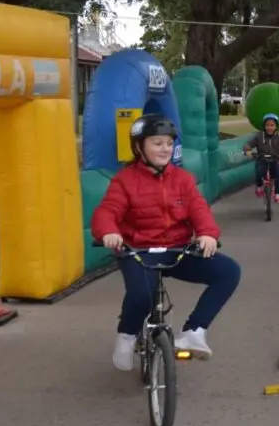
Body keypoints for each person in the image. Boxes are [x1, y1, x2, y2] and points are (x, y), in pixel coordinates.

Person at [91, 114, 241, 370]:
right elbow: (107, 212)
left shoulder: (182, 179)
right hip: (139, 251)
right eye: (157, 143)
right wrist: (108, 232)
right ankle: (127, 335)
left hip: (177, 249)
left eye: (169, 144)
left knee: (228, 272)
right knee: (142, 295)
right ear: (139, 147)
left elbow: (199, 210)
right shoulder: (125, 180)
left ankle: (194, 331)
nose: (165, 149)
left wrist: (207, 234)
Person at [243, 113, 279, 204]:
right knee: (259, 170)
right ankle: (259, 186)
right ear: (264, 126)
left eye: (272, 125)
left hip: (275, 160)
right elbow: (248, 144)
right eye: (267, 125)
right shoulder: (259, 136)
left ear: (276, 127)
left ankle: (278, 193)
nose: (270, 128)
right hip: (262, 159)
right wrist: (248, 150)